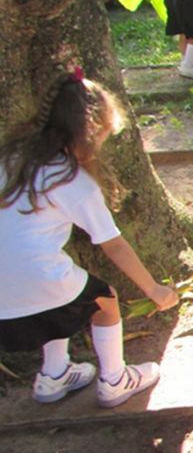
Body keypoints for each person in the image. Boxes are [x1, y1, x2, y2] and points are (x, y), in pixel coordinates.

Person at [0, 69, 179, 407]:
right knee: (103, 300)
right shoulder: (71, 181)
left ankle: (53, 375)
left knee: (58, 297)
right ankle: (115, 380)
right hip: (35, 280)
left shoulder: (11, 160)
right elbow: (113, 244)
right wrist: (154, 290)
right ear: (92, 130)